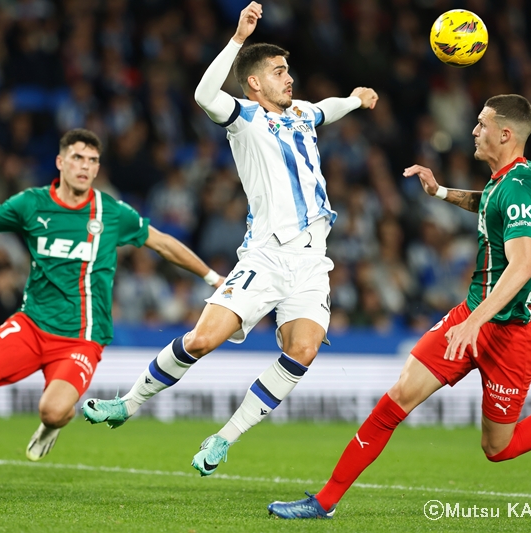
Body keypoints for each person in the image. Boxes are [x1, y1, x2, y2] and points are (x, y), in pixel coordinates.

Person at [267, 95, 531, 519]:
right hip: (473, 317)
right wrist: (440, 191)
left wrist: (474, 323)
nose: (474, 130)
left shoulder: (518, 187)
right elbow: (488, 204)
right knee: (398, 396)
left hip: (511, 334)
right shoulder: (511, 178)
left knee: (498, 447)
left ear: (505, 134)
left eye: (482, 124)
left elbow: (521, 267)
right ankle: (324, 501)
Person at [81, 1, 379, 477]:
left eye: (289, 71)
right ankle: (129, 403)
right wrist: (238, 39)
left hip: (311, 262)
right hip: (265, 255)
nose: (290, 80)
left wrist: (356, 99)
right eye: (280, 73)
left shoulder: (301, 113)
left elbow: (327, 109)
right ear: (255, 83)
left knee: (302, 348)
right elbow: (203, 94)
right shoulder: (244, 118)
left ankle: (224, 438)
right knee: (202, 340)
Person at [0, 128, 224, 481]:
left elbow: (162, 243)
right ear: (60, 162)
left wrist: (213, 278)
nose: (85, 167)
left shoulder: (111, 212)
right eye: (77, 158)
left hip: (81, 337)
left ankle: (53, 425)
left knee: (52, 411)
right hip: (31, 325)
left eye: (92, 161)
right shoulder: (31, 204)